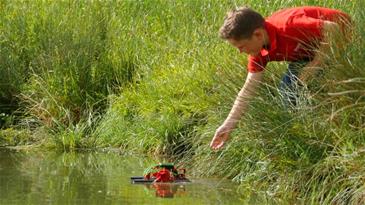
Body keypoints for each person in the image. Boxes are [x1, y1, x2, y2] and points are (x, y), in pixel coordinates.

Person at [210, 6, 351, 150]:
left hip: (342, 41)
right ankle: (307, 136)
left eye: (242, 46)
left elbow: (334, 29)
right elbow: (249, 87)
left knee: (296, 86)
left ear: (257, 34)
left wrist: (315, 65)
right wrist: (228, 124)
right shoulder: (259, 49)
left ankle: (334, 129)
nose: (240, 52)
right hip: (311, 52)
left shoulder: (288, 26)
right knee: (289, 90)